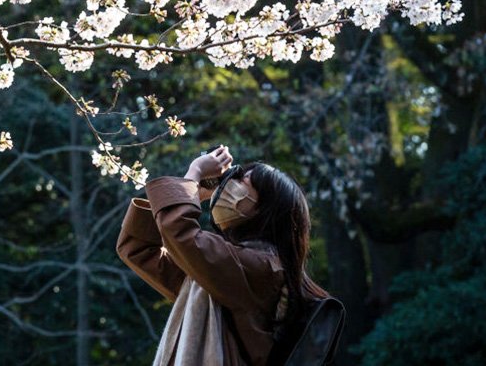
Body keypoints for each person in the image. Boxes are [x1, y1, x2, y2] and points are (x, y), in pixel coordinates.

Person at [117, 145, 329, 366]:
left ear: (267, 209)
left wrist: (195, 173)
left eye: (242, 179)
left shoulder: (262, 268)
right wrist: (195, 196)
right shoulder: (219, 271)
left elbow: (180, 234)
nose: (229, 183)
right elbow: (139, 247)